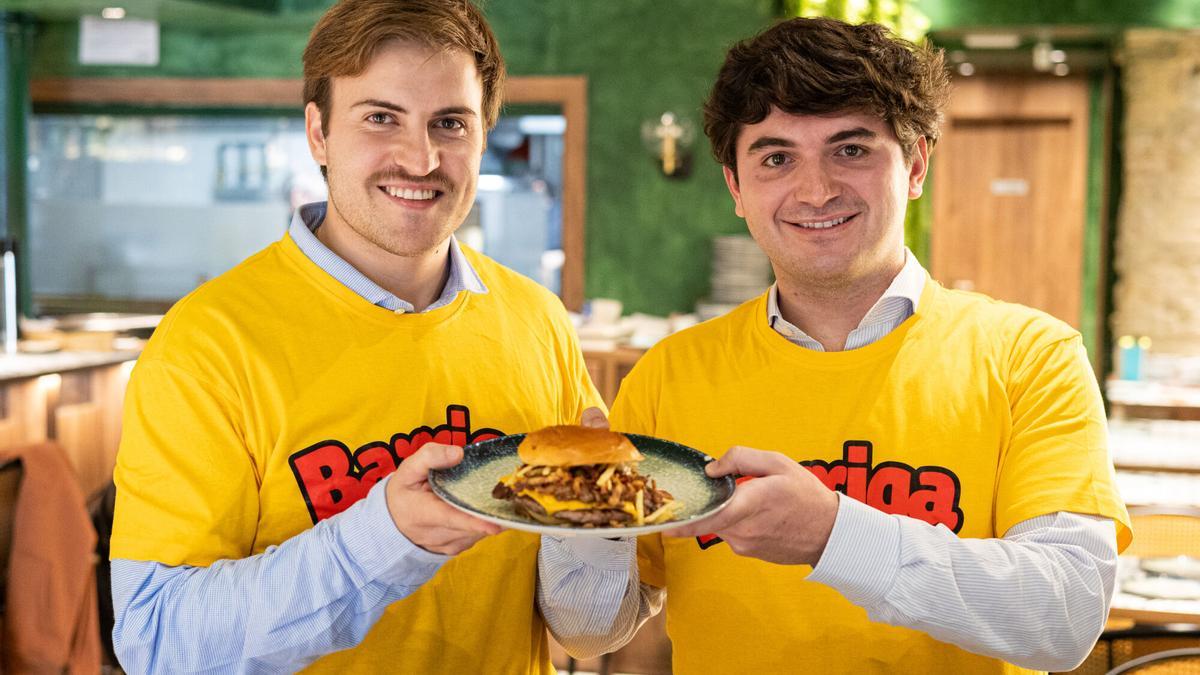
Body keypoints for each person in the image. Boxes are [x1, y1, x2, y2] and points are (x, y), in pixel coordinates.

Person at [540, 16, 1131, 674]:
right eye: (775, 157)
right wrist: (585, 518)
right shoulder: (670, 373)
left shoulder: (1032, 357)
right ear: (735, 187)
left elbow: (1067, 612)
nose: (816, 189)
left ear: (916, 165)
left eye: (852, 150)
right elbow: (592, 630)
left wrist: (833, 534)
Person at [108, 1, 606, 672]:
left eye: (450, 124)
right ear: (318, 134)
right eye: (380, 117)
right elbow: (158, 640)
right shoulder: (207, 343)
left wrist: (601, 529)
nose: (420, 158)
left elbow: (586, 630)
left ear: (483, 135)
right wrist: (387, 537)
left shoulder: (538, 321)